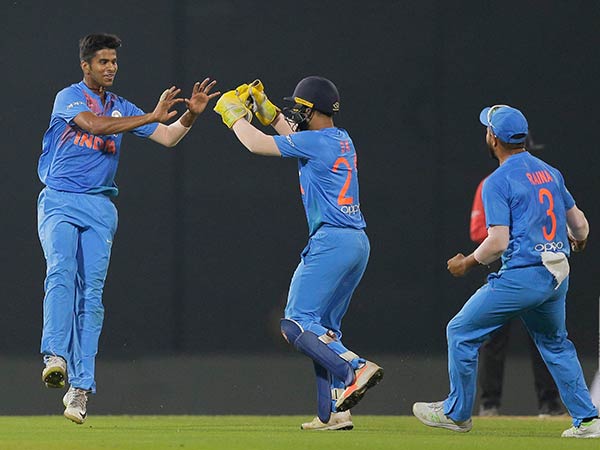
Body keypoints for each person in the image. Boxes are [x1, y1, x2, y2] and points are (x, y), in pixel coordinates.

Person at [38, 33, 219, 424]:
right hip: (60, 200)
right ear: (85, 65)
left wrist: (191, 115)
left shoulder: (122, 106)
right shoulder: (68, 97)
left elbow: (168, 136)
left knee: (92, 296)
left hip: (100, 207)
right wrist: (151, 116)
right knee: (61, 271)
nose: (110, 68)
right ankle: (55, 356)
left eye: (114, 62)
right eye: (103, 61)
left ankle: (80, 389)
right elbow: (94, 126)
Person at [412, 104, 600, 438]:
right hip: (557, 274)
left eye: (488, 129)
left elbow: (498, 242)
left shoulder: (497, 181)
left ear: (494, 138)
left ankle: (457, 413)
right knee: (555, 344)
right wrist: (580, 240)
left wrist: (468, 262)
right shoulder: (550, 172)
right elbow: (581, 225)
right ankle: (587, 420)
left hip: (524, 274)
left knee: (460, 331)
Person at [213, 77, 383, 430]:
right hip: (357, 243)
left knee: (295, 323)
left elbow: (257, 144)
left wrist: (234, 115)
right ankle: (334, 412)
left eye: (299, 107)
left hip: (331, 242)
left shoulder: (317, 142)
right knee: (324, 332)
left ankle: (356, 368)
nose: (295, 112)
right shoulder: (340, 138)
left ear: (311, 109)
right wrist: (270, 113)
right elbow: (295, 136)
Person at [471, 158, 563, 417]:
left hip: (535, 269)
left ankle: (550, 404)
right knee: (492, 339)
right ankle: (489, 404)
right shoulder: (491, 184)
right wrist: (513, 232)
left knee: (544, 337)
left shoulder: (540, 182)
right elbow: (478, 231)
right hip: (503, 270)